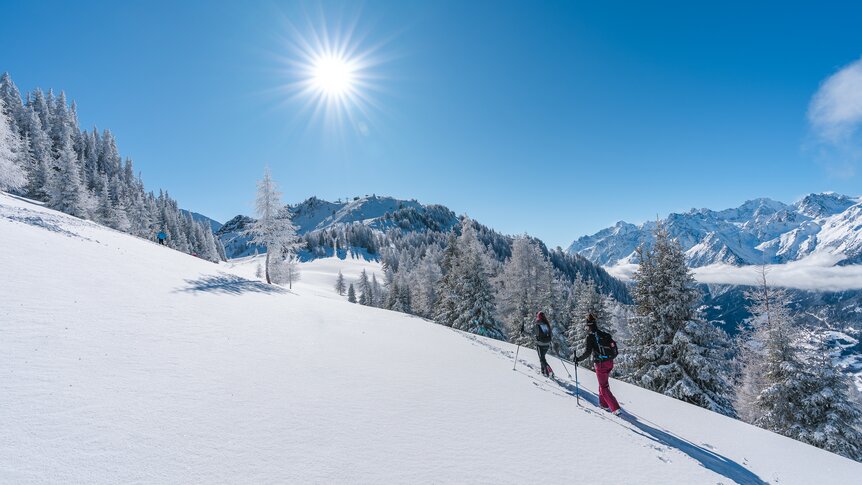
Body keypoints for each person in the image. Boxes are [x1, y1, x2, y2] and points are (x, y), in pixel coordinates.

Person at [575, 314, 621, 415]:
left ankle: (615, 408)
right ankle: (603, 404)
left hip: (601, 364)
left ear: (588, 326)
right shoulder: (604, 334)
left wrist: (578, 359)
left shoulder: (590, 337)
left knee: (603, 386)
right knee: (603, 384)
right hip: (610, 362)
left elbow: (587, 352)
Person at [533, 311, 554, 378]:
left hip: (540, 345)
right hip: (547, 344)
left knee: (542, 359)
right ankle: (543, 371)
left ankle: (549, 371)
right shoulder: (547, 324)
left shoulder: (537, 324)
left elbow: (534, 335)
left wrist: (524, 332)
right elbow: (550, 334)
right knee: (542, 358)